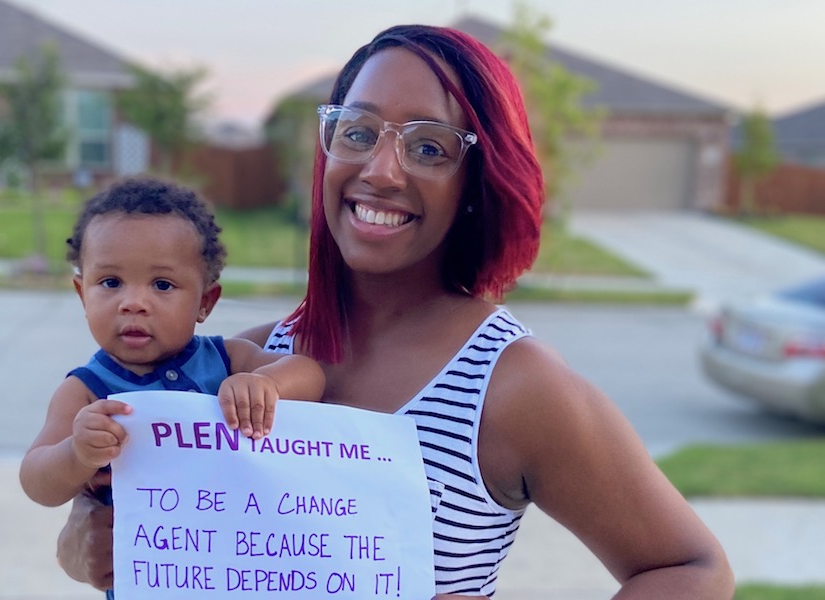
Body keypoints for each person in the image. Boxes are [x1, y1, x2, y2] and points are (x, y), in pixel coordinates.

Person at [56, 26, 734, 598]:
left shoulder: (511, 385)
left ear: (476, 182)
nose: (382, 169)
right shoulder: (246, 360)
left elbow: (693, 570)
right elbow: (133, 513)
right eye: (359, 131)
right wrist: (82, 544)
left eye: (429, 147)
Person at [20, 177, 325, 509]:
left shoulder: (227, 360)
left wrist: (266, 384)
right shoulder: (86, 390)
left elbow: (310, 375)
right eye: (111, 282)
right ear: (82, 295)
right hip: (155, 554)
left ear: (205, 302)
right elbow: (37, 483)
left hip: (238, 544)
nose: (133, 302)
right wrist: (77, 452)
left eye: (162, 285)